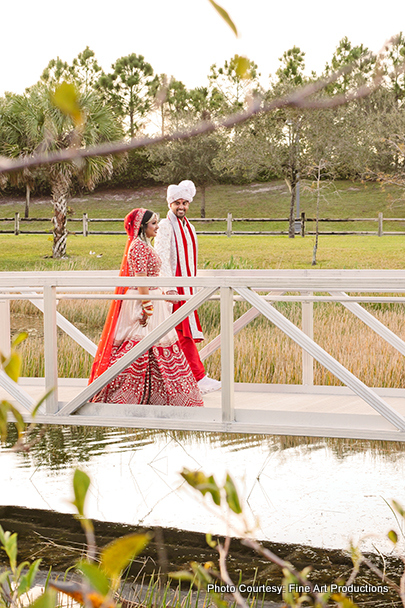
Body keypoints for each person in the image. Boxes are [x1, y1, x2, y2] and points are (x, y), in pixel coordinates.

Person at [88, 207, 203, 407]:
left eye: (157, 223)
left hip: (150, 297)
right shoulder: (138, 247)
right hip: (143, 300)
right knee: (138, 347)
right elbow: (141, 280)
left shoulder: (143, 244)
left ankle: (155, 395)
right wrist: (147, 308)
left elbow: (151, 276)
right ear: (142, 226)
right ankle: (126, 394)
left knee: (153, 347)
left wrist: (164, 294)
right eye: (153, 224)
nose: (157, 227)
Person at [154, 180, 221, 395]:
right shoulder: (165, 226)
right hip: (174, 289)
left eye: (185, 203)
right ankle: (198, 377)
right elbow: (161, 257)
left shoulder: (188, 227)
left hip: (188, 288)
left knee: (183, 334)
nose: (181, 207)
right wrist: (169, 288)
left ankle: (185, 378)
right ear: (170, 204)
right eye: (177, 203)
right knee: (183, 334)